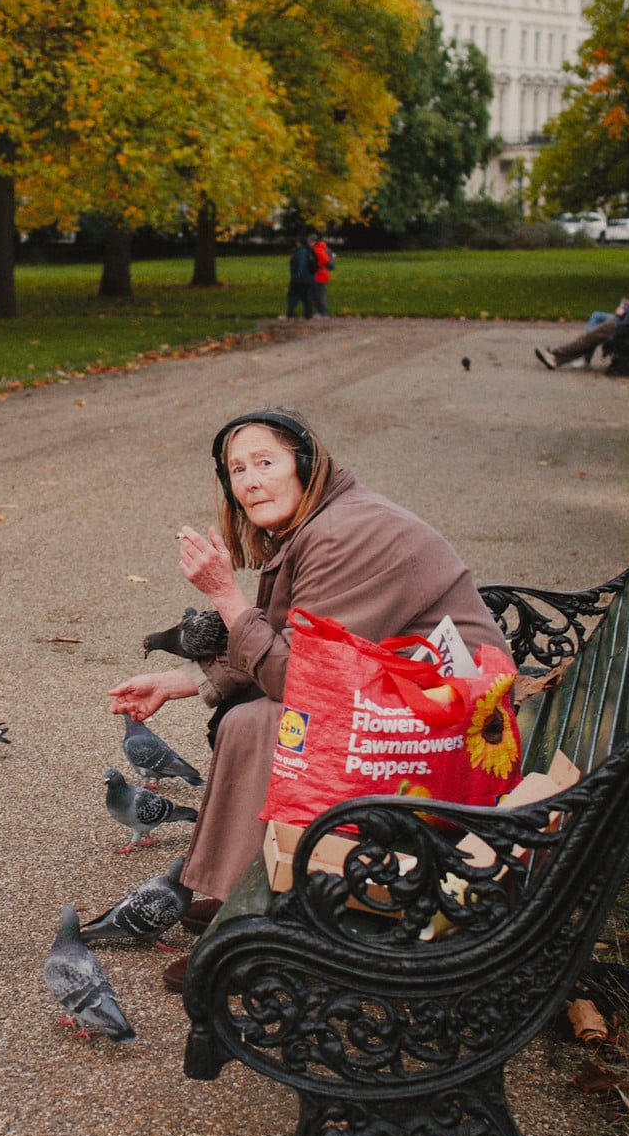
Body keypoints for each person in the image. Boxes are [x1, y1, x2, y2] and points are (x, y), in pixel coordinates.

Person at [107, 409, 511, 991]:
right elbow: (293, 640)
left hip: (450, 728)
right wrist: (183, 682)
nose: (249, 481)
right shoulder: (322, 523)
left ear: (307, 463)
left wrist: (224, 593)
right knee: (254, 717)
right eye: (236, 470)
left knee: (264, 723)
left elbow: (294, 677)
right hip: (416, 701)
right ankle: (244, 889)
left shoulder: (345, 532)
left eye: (265, 462)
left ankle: (263, 923)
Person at [534, 270, 629, 369]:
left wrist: (621, 312)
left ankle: (556, 355)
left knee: (587, 340)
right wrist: (628, 308)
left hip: (620, 327)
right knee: (589, 335)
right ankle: (557, 359)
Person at [285, 237, 317, 319]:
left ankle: (290, 313)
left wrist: (296, 276)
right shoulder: (308, 251)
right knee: (306, 296)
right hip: (308, 278)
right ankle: (308, 314)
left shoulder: (300, 252)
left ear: (299, 243)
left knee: (293, 296)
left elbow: (301, 265)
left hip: (300, 278)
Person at [309, 236, 335, 316]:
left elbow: (325, 260)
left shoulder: (318, 249)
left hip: (319, 275)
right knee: (318, 294)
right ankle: (321, 312)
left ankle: (323, 313)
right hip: (320, 274)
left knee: (319, 294)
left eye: (310, 242)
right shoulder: (321, 248)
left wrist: (316, 266)